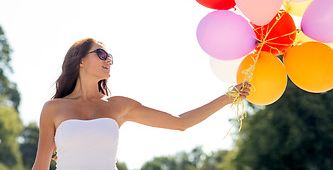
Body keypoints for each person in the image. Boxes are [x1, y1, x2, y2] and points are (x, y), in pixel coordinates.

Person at [31, 38, 251, 170]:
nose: (108, 59)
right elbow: (41, 166)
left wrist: (228, 97)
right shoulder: (53, 109)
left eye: (110, 57)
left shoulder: (118, 106)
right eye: (101, 54)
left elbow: (180, 122)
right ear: (80, 60)